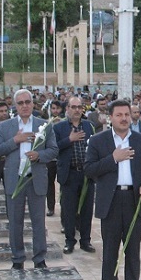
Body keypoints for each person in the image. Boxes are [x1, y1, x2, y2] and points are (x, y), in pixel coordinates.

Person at [84, 100, 141, 280]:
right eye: (119, 115)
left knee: (133, 251)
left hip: (133, 200)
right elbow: (89, 169)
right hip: (111, 202)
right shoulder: (98, 140)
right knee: (110, 252)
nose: (124, 118)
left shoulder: (140, 140)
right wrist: (113, 158)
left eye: (127, 114)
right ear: (110, 117)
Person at [0, 89, 58, 270]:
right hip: (14, 180)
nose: (24, 106)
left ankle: (39, 259)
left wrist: (39, 155)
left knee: (38, 222)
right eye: (20, 103)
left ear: (32, 103)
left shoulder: (43, 125)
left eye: (27, 102)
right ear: (15, 106)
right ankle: (17, 258)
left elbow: (54, 150)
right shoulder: (6, 127)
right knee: (15, 222)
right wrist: (15, 140)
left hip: (35, 179)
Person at [53, 96, 96, 254]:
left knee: (87, 209)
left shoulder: (89, 126)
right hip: (69, 173)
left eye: (79, 107)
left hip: (86, 174)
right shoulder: (59, 127)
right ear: (67, 109)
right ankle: (69, 241)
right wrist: (69, 140)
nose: (77, 110)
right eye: (73, 107)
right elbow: (53, 148)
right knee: (69, 209)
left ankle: (85, 241)